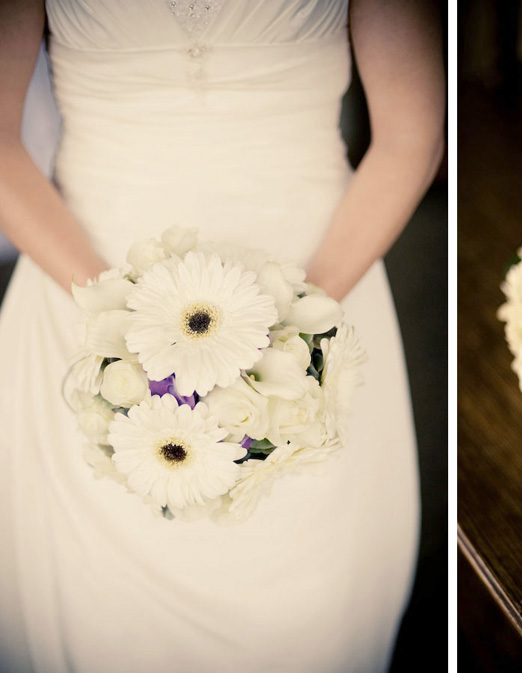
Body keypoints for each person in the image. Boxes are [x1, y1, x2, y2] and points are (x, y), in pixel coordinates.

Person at [0, 1, 445, 671]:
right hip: (84, 284)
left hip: (321, 276)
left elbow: (414, 136)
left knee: (311, 600)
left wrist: (297, 336)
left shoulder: (308, 320)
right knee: (99, 603)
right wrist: (116, 319)